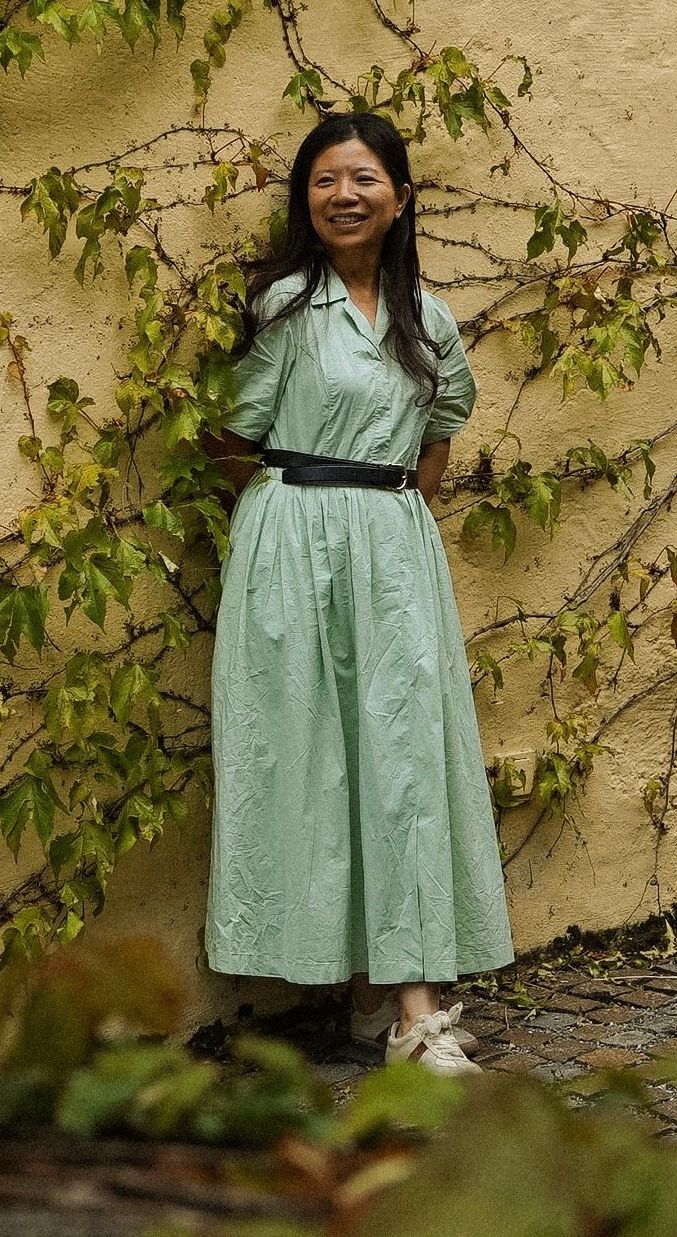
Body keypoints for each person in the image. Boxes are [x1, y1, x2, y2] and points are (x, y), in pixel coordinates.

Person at [202, 111, 513, 1074]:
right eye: (326, 179)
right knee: (312, 755)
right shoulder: (285, 308)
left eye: (365, 178)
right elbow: (228, 436)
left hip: (393, 549)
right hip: (291, 541)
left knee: (404, 760)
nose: (345, 195)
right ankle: (372, 994)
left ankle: (413, 1009)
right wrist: (279, 534)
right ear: (306, 199)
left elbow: (440, 427)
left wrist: (388, 521)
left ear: (401, 198)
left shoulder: (430, 317)